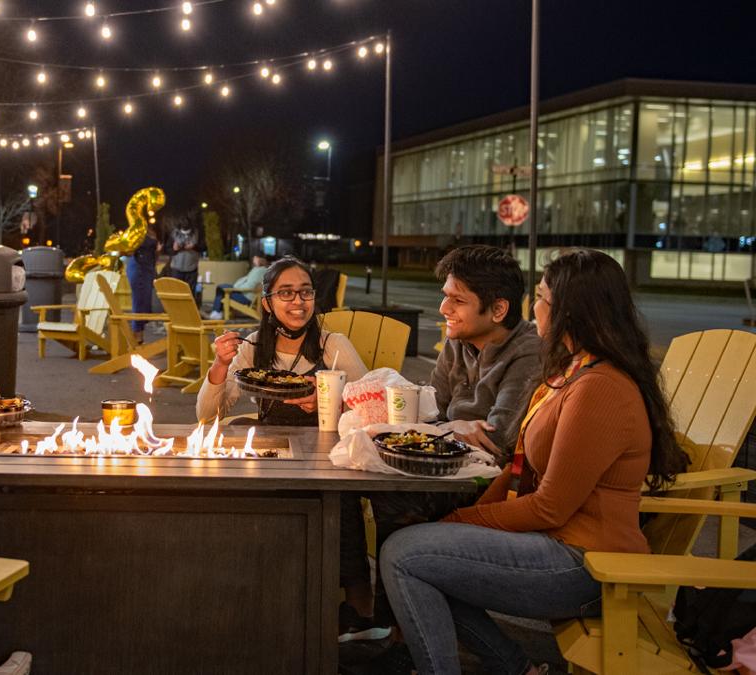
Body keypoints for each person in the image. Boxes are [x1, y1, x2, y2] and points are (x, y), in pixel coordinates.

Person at [379, 248, 689, 675]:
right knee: (421, 548)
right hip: (557, 545)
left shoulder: (598, 388)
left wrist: (458, 523)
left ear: (570, 311)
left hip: (586, 563)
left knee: (403, 553)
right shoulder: (572, 373)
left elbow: (550, 506)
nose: (534, 308)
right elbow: (517, 470)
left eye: (541, 297)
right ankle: (513, 667)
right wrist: (458, 519)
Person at [339, 244, 543, 638]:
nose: (444, 309)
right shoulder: (458, 340)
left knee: (395, 497)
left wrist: (449, 426)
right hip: (448, 463)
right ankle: (376, 611)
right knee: (354, 479)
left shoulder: (528, 352)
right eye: (445, 296)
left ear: (498, 310)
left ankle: (393, 625)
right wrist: (455, 427)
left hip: (495, 484)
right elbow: (433, 411)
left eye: (457, 300)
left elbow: (498, 439)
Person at [197, 256, 367, 425]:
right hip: (271, 446)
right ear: (267, 304)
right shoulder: (254, 345)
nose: (299, 301)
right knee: (240, 424)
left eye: (306, 292)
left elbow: (372, 407)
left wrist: (329, 402)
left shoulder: (333, 345)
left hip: (323, 447)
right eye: (286, 293)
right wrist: (220, 364)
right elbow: (207, 416)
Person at [125, 227, 160, 345]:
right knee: (139, 301)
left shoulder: (148, 232)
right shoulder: (137, 233)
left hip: (146, 268)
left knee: (144, 300)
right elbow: (129, 249)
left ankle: (139, 335)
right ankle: (137, 336)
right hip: (140, 267)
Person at [207, 255, 268, 319]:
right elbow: (245, 281)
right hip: (243, 293)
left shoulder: (260, 271)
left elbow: (250, 285)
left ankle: (216, 312)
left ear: (260, 260)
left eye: (255, 258)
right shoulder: (257, 270)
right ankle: (216, 312)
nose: (253, 260)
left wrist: (235, 289)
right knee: (221, 288)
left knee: (221, 288)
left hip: (246, 297)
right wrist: (235, 288)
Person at [165, 214, 203, 305]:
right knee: (176, 292)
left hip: (191, 268)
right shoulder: (174, 234)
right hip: (176, 268)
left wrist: (194, 247)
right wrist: (174, 249)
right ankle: (176, 312)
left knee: (190, 292)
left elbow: (203, 247)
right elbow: (167, 249)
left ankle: (189, 312)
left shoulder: (196, 233)